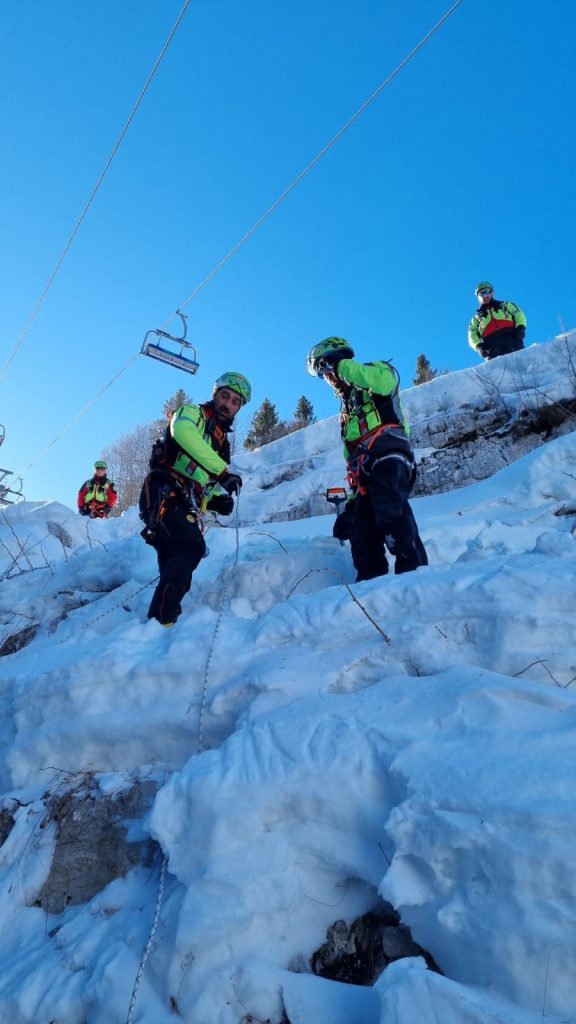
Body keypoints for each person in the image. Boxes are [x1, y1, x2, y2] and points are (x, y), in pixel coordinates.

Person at [306, 337, 427, 581]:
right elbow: (351, 457)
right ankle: (370, 584)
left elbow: (383, 384)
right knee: (361, 531)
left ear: (340, 359)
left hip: (390, 454)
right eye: (322, 374)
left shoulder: (377, 371)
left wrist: (341, 366)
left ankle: (414, 571)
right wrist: (351, 504)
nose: (327, 377)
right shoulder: (347, 411)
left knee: (389, 506)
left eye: (326, 368)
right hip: (364, 473)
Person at [139, 371, 251, 626]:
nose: (228, 404)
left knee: (173, 565)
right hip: (162, 492)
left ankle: (157, 629)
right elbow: (182, 432)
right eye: (225, 396)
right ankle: (162, 618)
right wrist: (222, 472)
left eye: (236, 402)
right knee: (191, 547)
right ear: (215, 395)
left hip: (182, 499)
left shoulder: (220, 444)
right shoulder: (191, 413)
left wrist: (215, 501)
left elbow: (202, 481)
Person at [468, 281, 527, 360]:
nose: (485, 296)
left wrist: (520, 327)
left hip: (512, 338)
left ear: (492, 293)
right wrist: (479, 346)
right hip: (491, 345)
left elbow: (518, 313)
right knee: (497, 370)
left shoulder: (505, 305)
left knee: (520, 361)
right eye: (481, 294)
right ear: (478, 298)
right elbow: (472, 333)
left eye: (487, 292)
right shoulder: (477, 318)